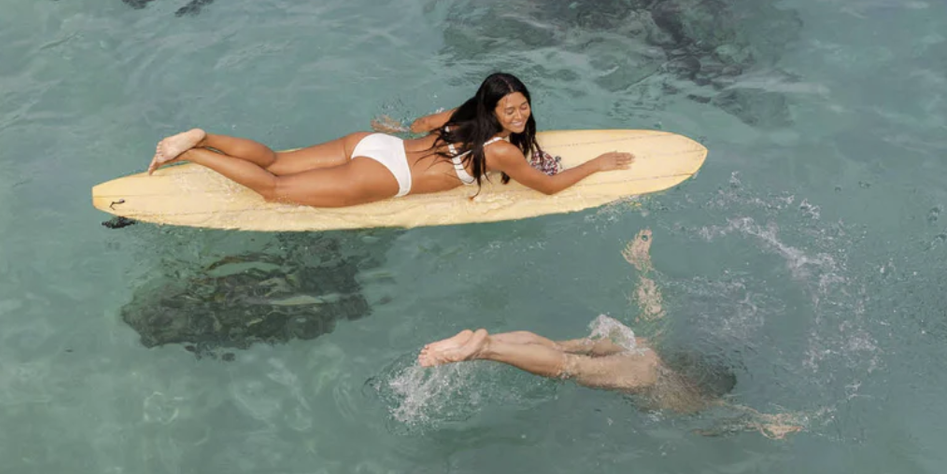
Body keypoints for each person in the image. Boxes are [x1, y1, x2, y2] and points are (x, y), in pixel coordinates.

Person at [412, 230, 809, 439]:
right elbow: (732, 416)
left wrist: (642, 268)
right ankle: (486, 347)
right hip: (641, 375)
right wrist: (766, 424)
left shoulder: (661, 351)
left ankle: (483, 339)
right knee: (567, 366)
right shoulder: (694, 402)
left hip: (639, 350)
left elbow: (654, 312)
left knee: (558, 345)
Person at [144, 72, 637, 208]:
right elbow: (548, 188)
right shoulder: (502, 150)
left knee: (274, 161)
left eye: (522, 105)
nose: (519, 113)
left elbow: (423, 121)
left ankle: (206, 134)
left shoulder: (464, 113)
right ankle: (192, 152)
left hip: (370, 146)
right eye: (510, 108)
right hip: (384, 175)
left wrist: (396, 130)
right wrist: (598, 164)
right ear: (493, 111)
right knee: (272, 190)